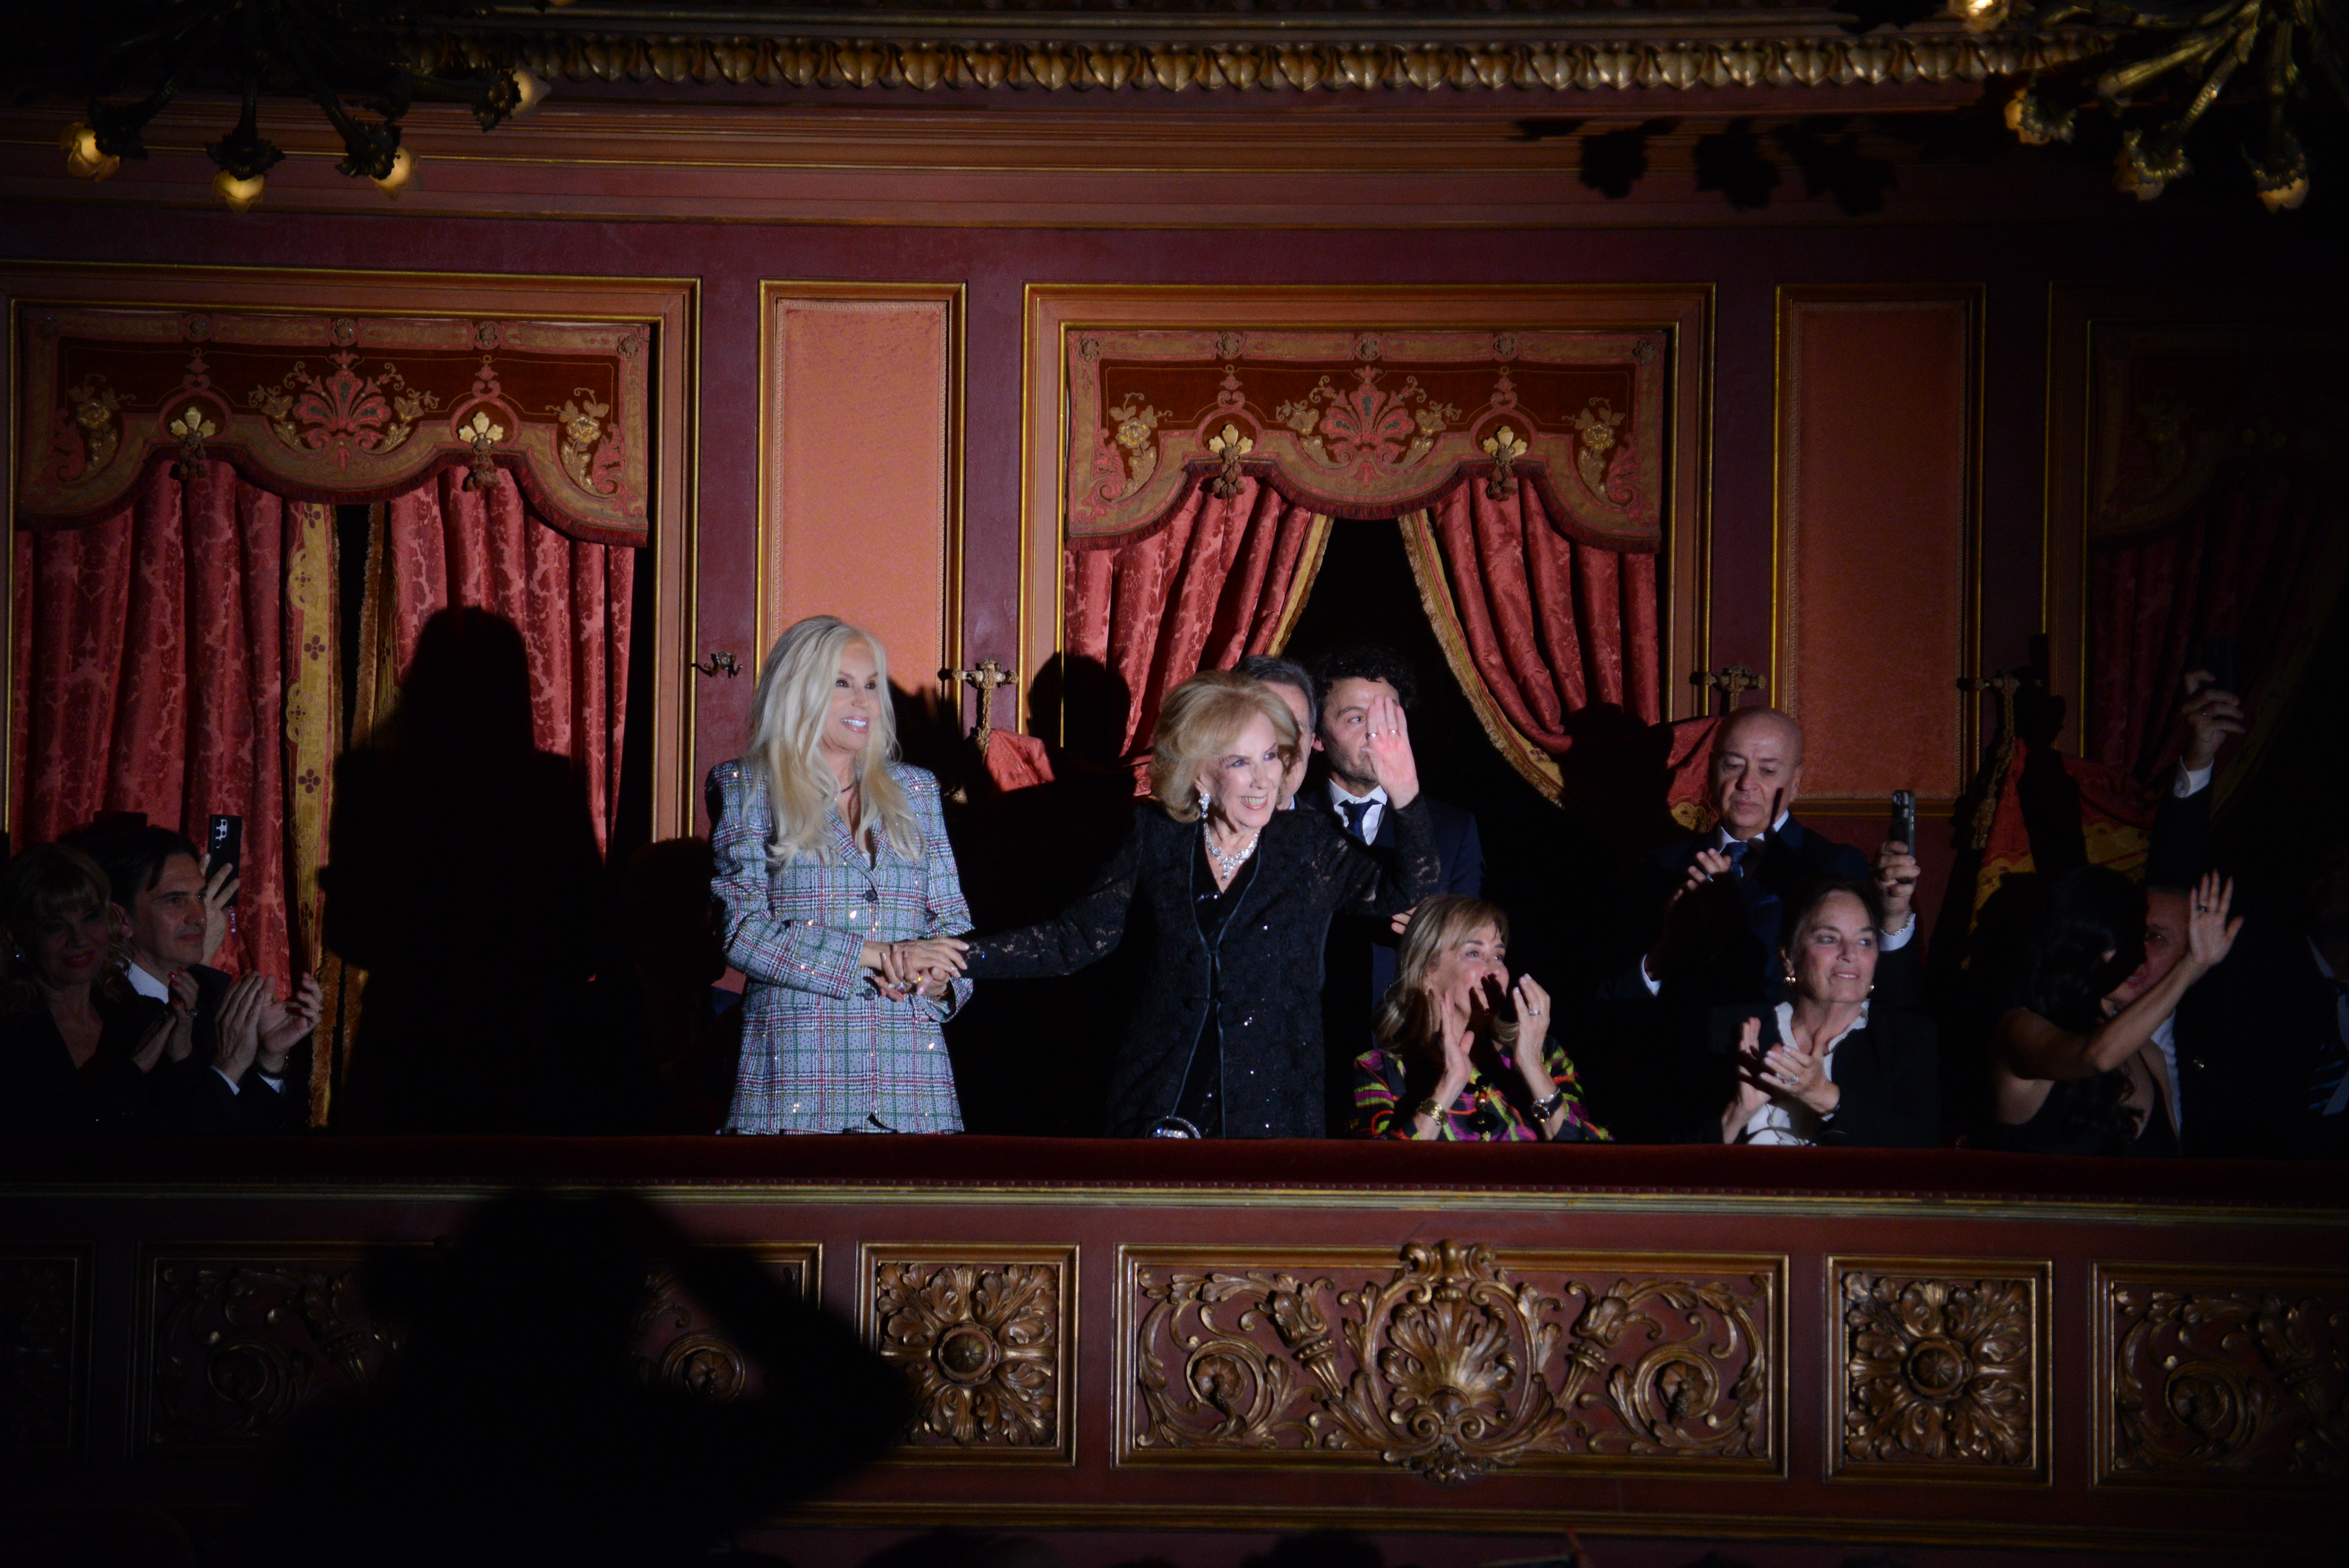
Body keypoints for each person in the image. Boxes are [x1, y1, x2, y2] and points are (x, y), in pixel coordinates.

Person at [931, 668, 1440, 1139]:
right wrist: (957, 958)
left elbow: (1406, 892)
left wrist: (1407, 793)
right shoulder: (1156, 836)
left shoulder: (1307, 845)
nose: (1264, 779)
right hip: (1155, 1100)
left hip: (1271, 1111)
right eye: (1240, 762)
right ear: (1200, 774)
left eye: (1271, 757)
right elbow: (1076, 940)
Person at [325, 607, 606, 1133]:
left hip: (407, 1037)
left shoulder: (372, 779)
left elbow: (350, 931)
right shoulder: (550, 785)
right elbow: (586, 936)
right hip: (524, 1042)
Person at [708, 616, 975, 1135]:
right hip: (795, 1087)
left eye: (872, 686)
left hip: (913, 1089)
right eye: (843, 684)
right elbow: (741, 934)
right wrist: (879, 957)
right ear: (798, 692)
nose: (864, 702)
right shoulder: (746, 788)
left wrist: (938, 981)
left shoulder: (917, 792)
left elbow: (955, 927)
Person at [1601, 707, 1918, 1011]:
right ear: (1712, 770)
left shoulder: (1831, 867)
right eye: (1733, 765)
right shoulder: (1660, 867)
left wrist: (1892, 918)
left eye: (1767, 770)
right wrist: (1665, 953)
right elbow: (1611, 1002)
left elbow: (1883, 1003)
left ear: (1796, 782)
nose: (1746, 784)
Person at [70, 823, 315, 1133]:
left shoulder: (214, 992)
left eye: (200, 896)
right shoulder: (98, 1010)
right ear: (122, 920)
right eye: (174, 900)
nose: (199, 916)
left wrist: (270, 1060)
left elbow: (249, 1139)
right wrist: (228, 1067)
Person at [1984, 865, 2239, 1156]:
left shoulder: (2150, 1055)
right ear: (2081, 944)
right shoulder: (2019, 1028)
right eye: (2129, 941)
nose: (2140, 957)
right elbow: (2097, 1056)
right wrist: (2192, 966)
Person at [1351, 894, 1608, 1142]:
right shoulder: (1380, 1071)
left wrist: (1533, 1069)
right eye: (1474, 953)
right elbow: (1376, 1175)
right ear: (1427, 971)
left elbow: (1599, 1169)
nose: (1496, 970)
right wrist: (1447, 1088)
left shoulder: (1546, 1056)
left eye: (1499, 955)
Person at [1708, 879, 1939, 1147]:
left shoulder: (1907, 1039)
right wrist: (1736, 1117)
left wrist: (1828, 1099)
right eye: (1829, 939)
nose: (1850, 954)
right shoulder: (1730, 1030)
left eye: (1865, 941)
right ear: (1789, 957)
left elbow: (1925, 1156)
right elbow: (1671, 1158)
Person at [0, 844, 184, 1135]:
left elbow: (191, 1135)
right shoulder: (11, 1035)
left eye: (90, 918)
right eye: (55, 927)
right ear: (17, 936)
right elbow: (38, 1149)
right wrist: (131, 1073)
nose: (80, 940)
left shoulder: (136, 1015)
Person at [1235, 653, 1316, 810]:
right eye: (1267, 727)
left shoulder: (1330, 834)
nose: (1280, 746)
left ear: (1310, 744)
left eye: (1294, 731)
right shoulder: (1183, 832)